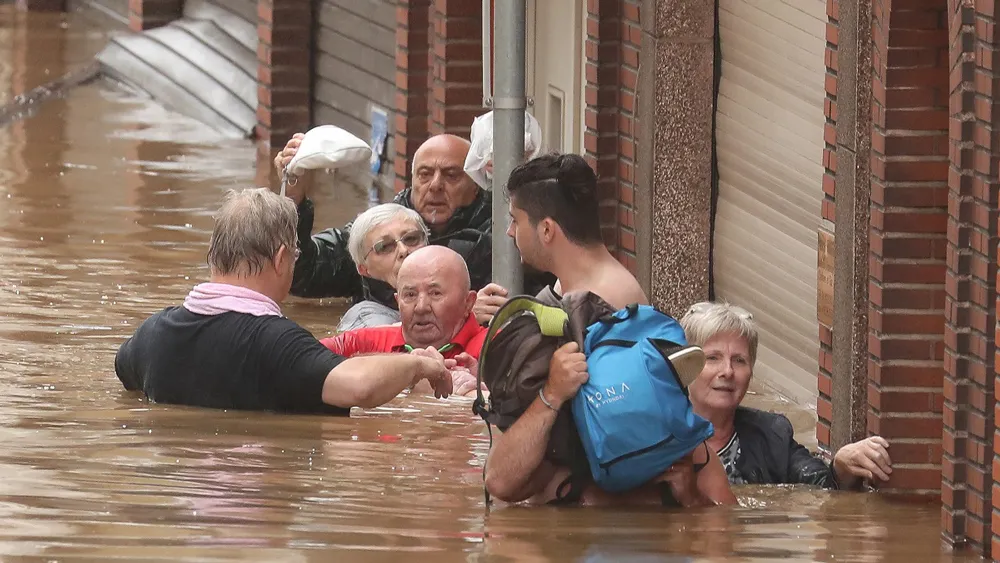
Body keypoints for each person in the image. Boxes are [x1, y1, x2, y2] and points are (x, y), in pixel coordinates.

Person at [482, 153, 736, 507]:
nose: (510, 232)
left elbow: (653, 429)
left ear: (546, 229)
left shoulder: (610, 303)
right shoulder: (566, 292)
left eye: (515, 220)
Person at [114, 188, 455, 414]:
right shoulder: (275, 341)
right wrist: (418, 366)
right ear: (281, 259)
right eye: (294, 256)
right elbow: (360, 387)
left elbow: (123, 373)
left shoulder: (152, 332)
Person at [274, 133, 555, 327]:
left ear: (478, 182)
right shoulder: (379, 229)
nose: (435, 185)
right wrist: (294, 199)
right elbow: (298, 272)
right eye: (424, 174)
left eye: (451, 175)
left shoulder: (505, 234)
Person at [680, 301, 893, 489]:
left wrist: (842, 467)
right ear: (685, 367)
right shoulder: (657, 437)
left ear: (751, 372)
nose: (727, 371)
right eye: (713, 358)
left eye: (739, 360)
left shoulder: (773, 436)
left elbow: (822, 487)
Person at [321, 246, 488, 397]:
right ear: (397, 301)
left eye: (435, 293)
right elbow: (302, 361)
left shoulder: (497, 347)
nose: (421, 307)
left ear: (468, 302)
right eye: (410, 295)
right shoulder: (364, 343)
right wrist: (402, 366)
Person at [335, 202, 429, 331]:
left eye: (411, 238)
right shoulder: (366, 321)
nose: (403, 250)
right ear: (363, 269)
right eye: (385, 246)